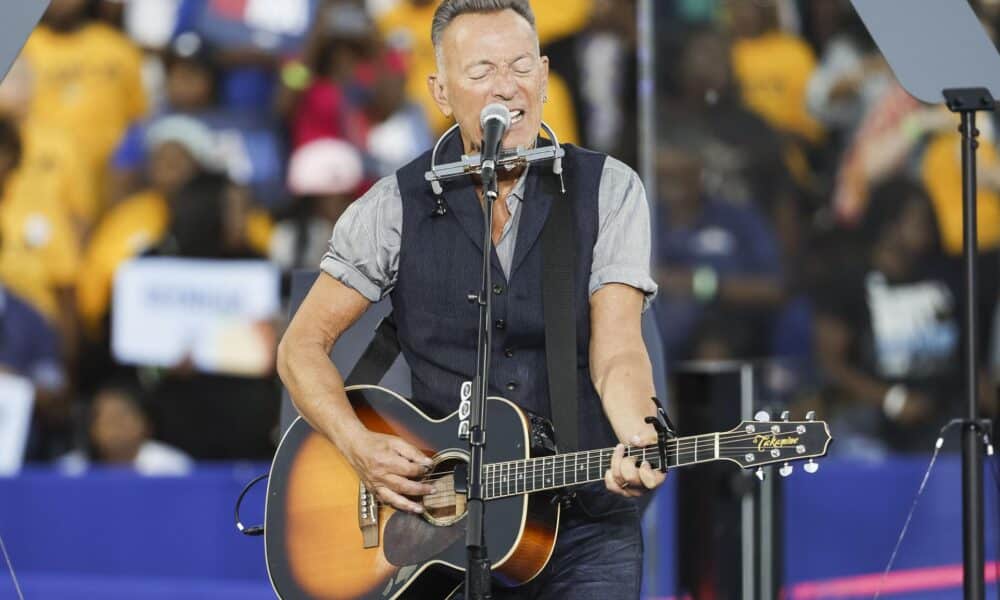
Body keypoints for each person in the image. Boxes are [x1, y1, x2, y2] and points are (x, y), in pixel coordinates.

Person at [277, 1, 662, 598]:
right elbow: (300, 348)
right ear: (440, 91)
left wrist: (639, 434)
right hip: (442, 528)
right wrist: (358, 447)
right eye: (481, 72)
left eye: (520, 67)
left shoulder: (609, 189)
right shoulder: (390, 206)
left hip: (583, 526)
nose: (506, 88)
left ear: (544, 72)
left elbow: (618, 349)